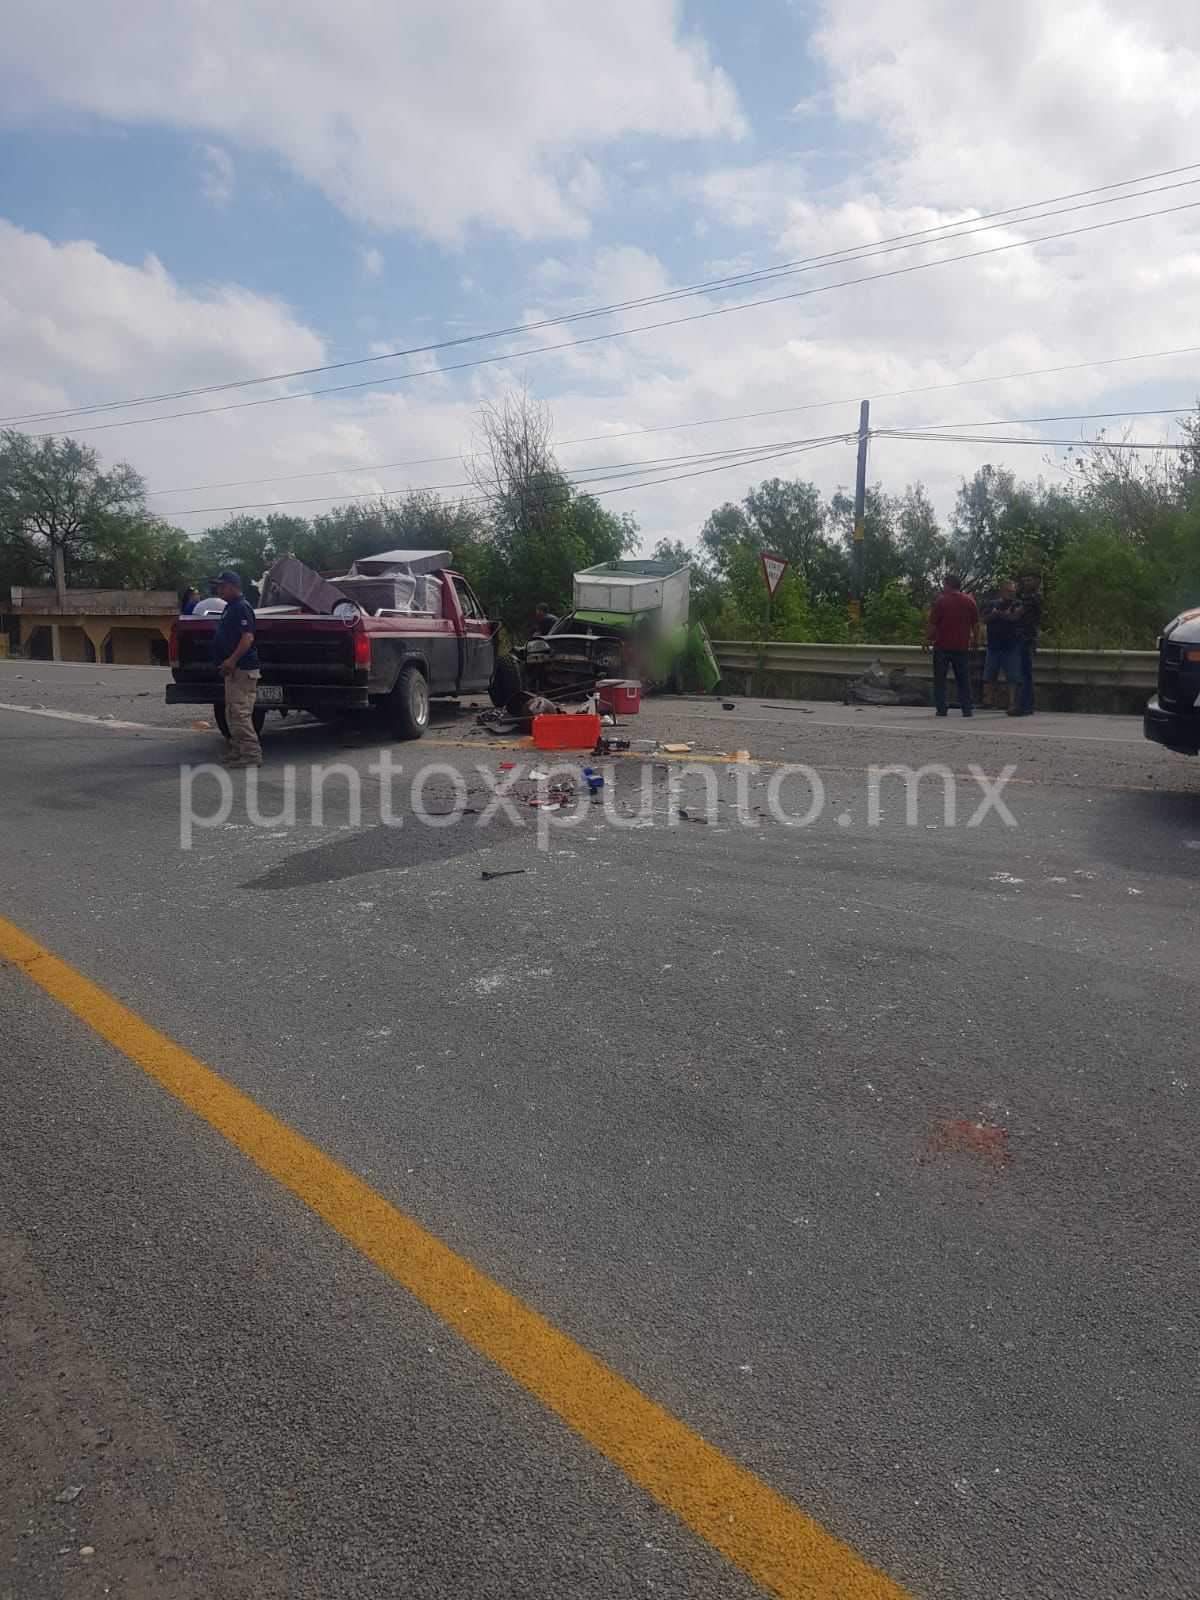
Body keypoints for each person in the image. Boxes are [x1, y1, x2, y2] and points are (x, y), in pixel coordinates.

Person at [211, 569, 262, 768]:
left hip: (242, 667)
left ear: (235, 586)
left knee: (240, 713)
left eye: (223, 585)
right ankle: (238, 750)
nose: (219, 589)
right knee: (232, 712)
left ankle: (251, 754)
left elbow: (247, 637)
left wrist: (232, 660)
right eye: (218, 585)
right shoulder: (230, 607)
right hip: (232, 669)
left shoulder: (241, 607)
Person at [922, 573, 979, 718]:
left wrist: (925, 639)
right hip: (961, 647)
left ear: (948, 585)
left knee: (940, 679)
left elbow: (932, 623)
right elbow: (976, 623)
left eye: (944, 584)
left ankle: (942, 708)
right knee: (963, 679)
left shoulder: (941, 602)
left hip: (943, 646)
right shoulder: (970, 601)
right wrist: (976, 639)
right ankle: (967, 709)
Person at [979, 580, 1024, 712]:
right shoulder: (991, 603)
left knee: (1012, 676)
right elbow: (982, 619)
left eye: (1013, 591)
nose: (1011, 593)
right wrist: (998, 614)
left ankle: (1011, 702)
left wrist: (997, 614)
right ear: (1001, 591)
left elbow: (1013, 618)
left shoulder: (1017, 603)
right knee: (990, 675)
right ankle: (989, 700)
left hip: (1011, 646)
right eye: (1008, 590)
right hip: (993, 646)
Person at [1014, 570, 1044, 716]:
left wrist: (1009, 614)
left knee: (1025, 674)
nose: (1026, 583)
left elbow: (1018, 614)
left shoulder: (1031, 596)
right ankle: (1028, 706)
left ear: (1037, 580)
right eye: (1025, 581)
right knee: (1027, 673)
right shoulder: (1038, 595)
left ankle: (1024, 707)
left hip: (1025, 636)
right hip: (1030, 635)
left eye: (1029, 580)